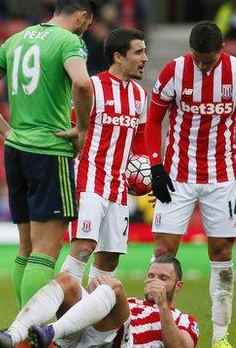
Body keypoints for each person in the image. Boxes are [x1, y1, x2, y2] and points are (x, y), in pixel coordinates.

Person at [145, 21, 236, 348]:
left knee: (222, 253)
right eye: (198, 59)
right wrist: (156, 167)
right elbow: (154, 119)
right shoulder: (174, 72)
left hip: (220, 177)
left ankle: (220, 335)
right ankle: (153, 327)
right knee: (163, 252)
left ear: (222, 50)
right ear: (190, 51)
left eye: (209, 61)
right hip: (177, 177)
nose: (202, 65)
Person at [0, 0, 95, 310]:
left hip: (16, 150)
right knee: (45, 251)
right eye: (87, 24)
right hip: (50, 151)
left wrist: (7, 131)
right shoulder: (69, 42)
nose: (86, 30)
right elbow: (83, 83)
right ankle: (31, 331)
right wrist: (83, 129)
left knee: (26, 248)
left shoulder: (17, 39)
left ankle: (21, 330)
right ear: (81, 17)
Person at [60, 29, 148, 286]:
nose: (145, 58)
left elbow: (139, 140)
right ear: (119, 57)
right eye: (139, 52)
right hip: (88, 180)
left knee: (109, 258)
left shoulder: (140, 95)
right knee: (83, 248)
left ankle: (89, 319)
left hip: (119, 188)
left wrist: (145, 170)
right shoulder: (92, 87)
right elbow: (72, 130)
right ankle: (63, 315)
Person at [0, 254, 198, 348]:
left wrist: (162, 306)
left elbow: (180, 346)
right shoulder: (132, 302)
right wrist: (94, 292)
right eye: (151, 276)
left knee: (114, 286)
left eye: (163, 278)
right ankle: (12, 335)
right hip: (83, 334)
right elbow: (87, 311)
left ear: (178, 286)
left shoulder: (185, 320)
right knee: (67, 281)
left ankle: (50, 332)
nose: (154, 282)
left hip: (116, 343)